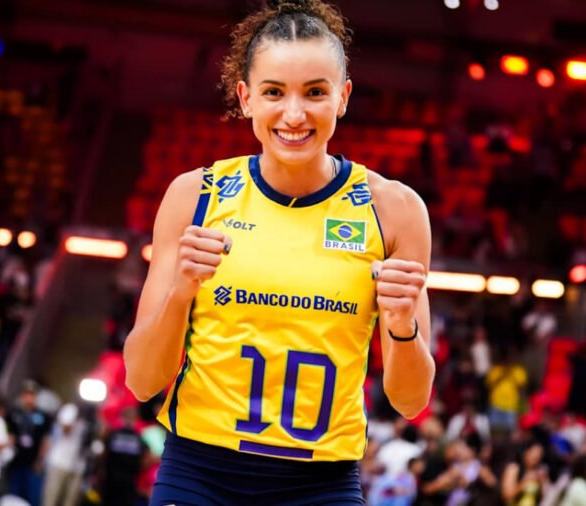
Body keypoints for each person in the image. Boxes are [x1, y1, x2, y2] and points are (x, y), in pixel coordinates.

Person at [123, 0, 434, 504]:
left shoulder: (395, 211)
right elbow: (141, 381)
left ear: (343, 97)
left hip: (322, 485)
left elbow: (411, 401)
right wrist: (181, 291)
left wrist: (401, 324)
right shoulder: (194, 196)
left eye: (315, 92)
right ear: (245, 97)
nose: (294, 114)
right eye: (273, 92)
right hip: (199, 475)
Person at [7, 379, 52, 506]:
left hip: (33, 464)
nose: (29, 398)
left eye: (32, 395)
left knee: (32, 498)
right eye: (26, 394)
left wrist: (40, 460)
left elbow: (46, 440)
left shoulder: (43, 416)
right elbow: (9, 435)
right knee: (13, 498)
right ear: (22, 396)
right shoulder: (13, 413)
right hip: (15, 462)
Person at [100, 407, 150, 506]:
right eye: (129, 417)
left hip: (122, 480)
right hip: (117, 480)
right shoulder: (115, 434)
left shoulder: (114, 434)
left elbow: (104, 454)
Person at [501, 440, 547, 506]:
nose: (536, 459)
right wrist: (524, 482)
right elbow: (506, 495)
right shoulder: (514, 468)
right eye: (533, 456)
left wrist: (542, 484)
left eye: (538, 457)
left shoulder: (537, 473)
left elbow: (541, 499)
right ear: (526, 452)